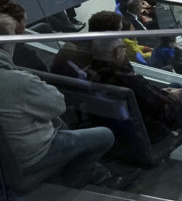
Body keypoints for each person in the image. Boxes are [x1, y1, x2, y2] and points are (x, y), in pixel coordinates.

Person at [63, 13, 182, 165]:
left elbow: (147, 95)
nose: (125, 50)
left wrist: (167, 93)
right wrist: (172, 97)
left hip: (136, 119)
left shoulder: (96, 69)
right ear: (116, 54)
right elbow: (162, 107)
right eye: (123, 48)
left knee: (175, 86)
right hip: (153, 126)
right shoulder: (125, 78)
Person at [0, 17, 113, 184]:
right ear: (7, 44)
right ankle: (76, 178)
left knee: (58, 123)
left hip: (8, 159)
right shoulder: (18, 80)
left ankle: (96, 172)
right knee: (105, 135)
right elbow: (59, 104)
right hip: (31, 157)